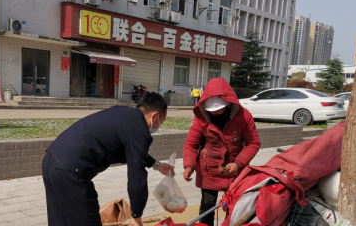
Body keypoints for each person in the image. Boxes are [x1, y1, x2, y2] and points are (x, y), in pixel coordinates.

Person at [43, 92, 175, 226]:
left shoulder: (124, 114)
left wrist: (156, 165)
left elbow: (134, 152)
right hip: (70, 172)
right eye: (160, 122)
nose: (157, 126)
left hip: (51, 161)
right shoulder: (139, 130)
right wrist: (136, 216)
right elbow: (137, 177)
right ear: (155, 116)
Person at [182, 78, 261, 226]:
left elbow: (253, 143)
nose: (216, 113)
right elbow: (191, 144)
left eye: (219, 109)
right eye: (212, 110)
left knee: (234, 206)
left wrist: (238, 163)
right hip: (209, 169)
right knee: (207, 207)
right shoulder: (201, 118)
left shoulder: (244, 116)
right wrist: (189, 166)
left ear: (229, 104)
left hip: (234, 170)